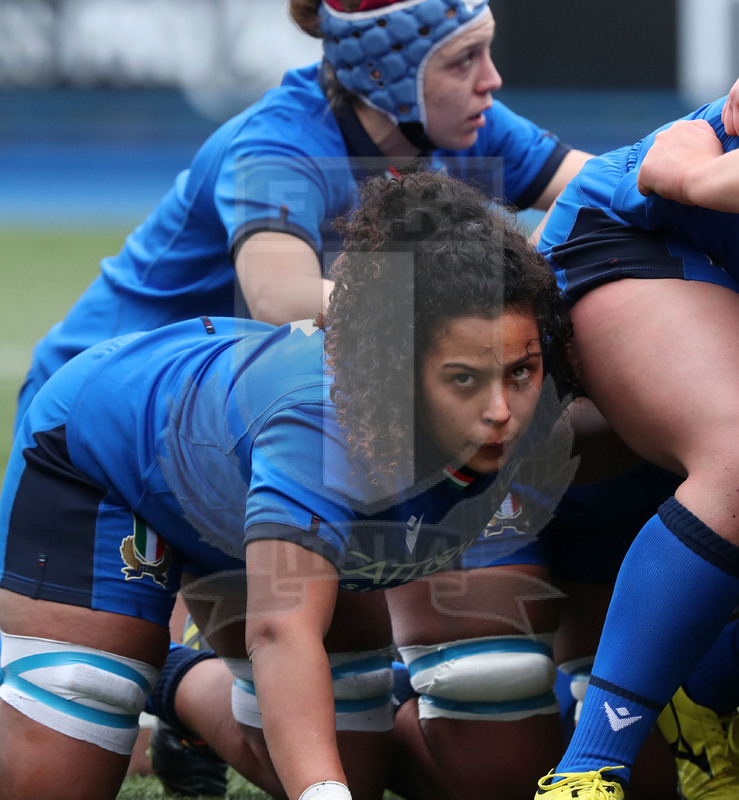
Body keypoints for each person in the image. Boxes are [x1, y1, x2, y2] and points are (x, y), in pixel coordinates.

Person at [0, 171, 576, 800]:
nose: (502, 412)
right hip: (107, 457)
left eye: (520, 372)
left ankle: (181, 685)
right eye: (464, 380)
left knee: (357, 734)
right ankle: (148, 670)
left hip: (249, 485)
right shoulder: (323, 428)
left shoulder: (544, 364)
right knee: (82, 712)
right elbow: (283, 629)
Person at [15, 0, 590, 431]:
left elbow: (598, 184)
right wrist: (457, 315)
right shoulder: (279, 146)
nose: (492, 79)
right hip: (97, 405)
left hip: (215, 402)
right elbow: (280, 299)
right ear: (384, 75)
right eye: (464, 59)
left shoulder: (464, 118)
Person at [531, 83, 739, 800]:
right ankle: (587, 770)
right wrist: (698, 172)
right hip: (628, 234)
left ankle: (705, 688)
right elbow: (671, 165)